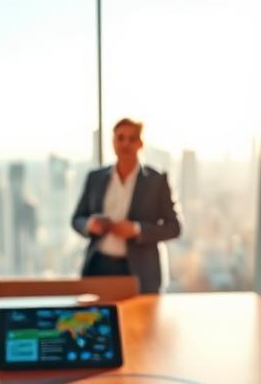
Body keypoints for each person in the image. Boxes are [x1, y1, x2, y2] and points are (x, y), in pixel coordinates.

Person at [71, 118, 181, 293]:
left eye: (132, 139)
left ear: (140, 144)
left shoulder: (156, 181)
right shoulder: (95, 178)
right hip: (98, 265)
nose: (125, 144)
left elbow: (174, 228)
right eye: (120, 138)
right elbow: (77, 219)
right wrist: (90, 225)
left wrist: (136, 229)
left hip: (140, 271)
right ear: (113, 142)